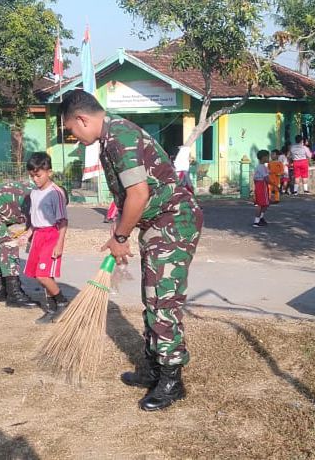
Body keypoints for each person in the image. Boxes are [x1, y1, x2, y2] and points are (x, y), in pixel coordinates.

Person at [60, 89, 203, 412]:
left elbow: (138, 194)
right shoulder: (110, 137)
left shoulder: (118, 137)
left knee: (163, 299)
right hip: (158, 223)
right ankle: (154, 367)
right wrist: (118, 231)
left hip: (173, 221)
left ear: (82, 119)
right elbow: (130, 196)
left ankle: (171, 379)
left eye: (71, 130)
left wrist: (121, 237)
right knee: (152, 297)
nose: (74, 137)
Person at [23, 152, 69, 324]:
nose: (35, 179)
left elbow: (63, 221)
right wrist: (28, 234)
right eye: (32, 176)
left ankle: (62, 302)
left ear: (49, 172)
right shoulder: (34, 193)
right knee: (40, 275)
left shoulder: (56, 193)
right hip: (38, 236)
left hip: (51, 236)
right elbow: (35, 220)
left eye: (38, 175)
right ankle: (51, 309)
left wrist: (59, 243)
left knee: (43, 275)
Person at [253, 150, 271, 227]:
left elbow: (254, 179)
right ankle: (257, 221)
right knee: (261, 204)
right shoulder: (262, 167)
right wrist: (274, 185)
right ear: (264, 158)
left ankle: (260, 218)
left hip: (259, 185)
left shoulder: (259, 167)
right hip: (262, 185)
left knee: (265, 204)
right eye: (268, 157)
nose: (269, 158)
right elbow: (266, 178)